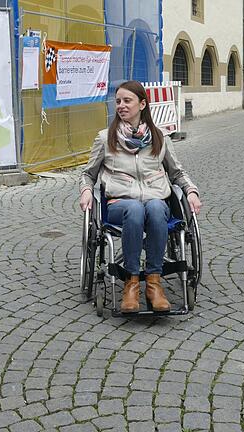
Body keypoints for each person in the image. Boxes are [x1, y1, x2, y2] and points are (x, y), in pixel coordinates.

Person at [79, 80, 201, 313]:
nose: (122, 106)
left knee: (155, 208)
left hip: (155, 200)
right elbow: (88, 175)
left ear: (142, 104)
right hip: (119, 204)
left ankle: (154, 283)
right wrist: (86, 190)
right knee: (135, 209)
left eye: (127, 101)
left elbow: (177, 172)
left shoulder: (159, 137)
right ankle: (131, 283)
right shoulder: (105, 138)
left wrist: (191, 192)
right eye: (118, 102)